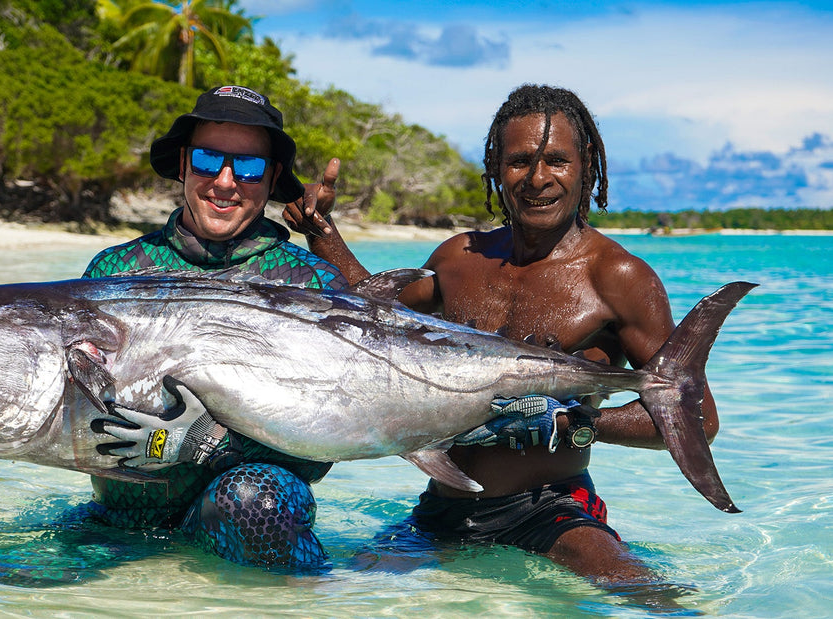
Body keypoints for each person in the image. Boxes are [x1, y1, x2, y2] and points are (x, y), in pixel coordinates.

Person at [282, 84, 719, 585]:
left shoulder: (618, 278)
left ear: (587, 170)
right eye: (518, 162)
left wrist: (577, 422)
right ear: (495, 169)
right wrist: (321, 230)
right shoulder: (457, 259)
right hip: (442, 509)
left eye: (556, 160)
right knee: (330, 590)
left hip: (552, 510)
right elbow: (371, 319)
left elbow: (698, 417)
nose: (537, 179)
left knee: (645, 594)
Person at [79, 85, 347, 571]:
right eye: (207, 159)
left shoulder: (313, 284)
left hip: (242, 514)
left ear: (273, 178)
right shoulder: (112, 273)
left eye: (247, 167)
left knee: (255, 502)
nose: (225, 182)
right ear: (183, 164)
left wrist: (209, 443)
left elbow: (322, 446)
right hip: (118, 522)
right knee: (9, 580)